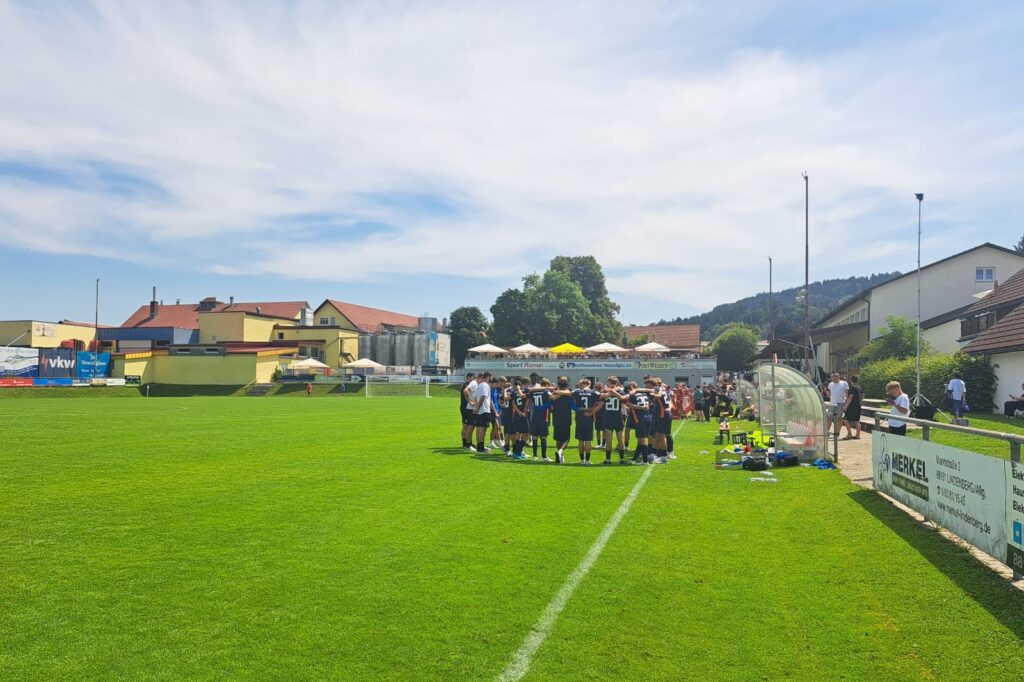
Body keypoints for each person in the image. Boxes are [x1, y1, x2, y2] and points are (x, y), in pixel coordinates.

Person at [572, 378, 598, 464]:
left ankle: (581, 460)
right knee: (588, 440)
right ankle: (587, 460)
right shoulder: (594, 392)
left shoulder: (576, 392)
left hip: (579, 417)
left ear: (583, 384)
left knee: (580, 440)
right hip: (589, 418)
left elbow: (568, 393)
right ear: (589, 384)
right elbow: (602, 398)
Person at [549, 376, 573, 464]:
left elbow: (552, 397)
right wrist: (561, 393)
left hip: (556, 418)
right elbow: (568, 393)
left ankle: (560, 455)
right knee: (566, 439)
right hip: (566, 418)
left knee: (558, 439)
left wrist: (557, 391)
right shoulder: (568, 392)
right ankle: (560, 452)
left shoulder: (555, 393)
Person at [472, 372, 493, 454]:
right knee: (482, 429)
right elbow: (483, 396)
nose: (491, 379)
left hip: (480, 410)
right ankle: (481, 449)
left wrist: (476, 408)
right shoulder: (485, 385)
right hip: (484, 410)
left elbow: (475, 398)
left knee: (479, 428)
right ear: (488, 377)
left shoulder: (480, 385)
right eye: (491, 377)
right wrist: (477, 408)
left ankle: (479, 447)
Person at [460, 373, 477, 450]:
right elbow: (465, 392)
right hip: (465, 408)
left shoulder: (469, 385)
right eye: (473, 378)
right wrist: (470, 402)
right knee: (466, 426)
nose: (473, 380)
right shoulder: (466, 385)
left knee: (469, 426)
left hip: (467, 408)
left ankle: (468, 442)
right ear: (469, 378)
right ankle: (465, 444)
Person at [842, 375, 862, 440]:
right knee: (857, 421)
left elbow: (850, 397)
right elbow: (863, 394)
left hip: (852, 406)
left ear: (851, 380)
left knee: (845, 419)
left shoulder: (852, 387)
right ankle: (857, 435)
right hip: (858, 406)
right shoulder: (859, 387)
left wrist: (845, 406)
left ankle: (849, 434)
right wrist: (860, 401)